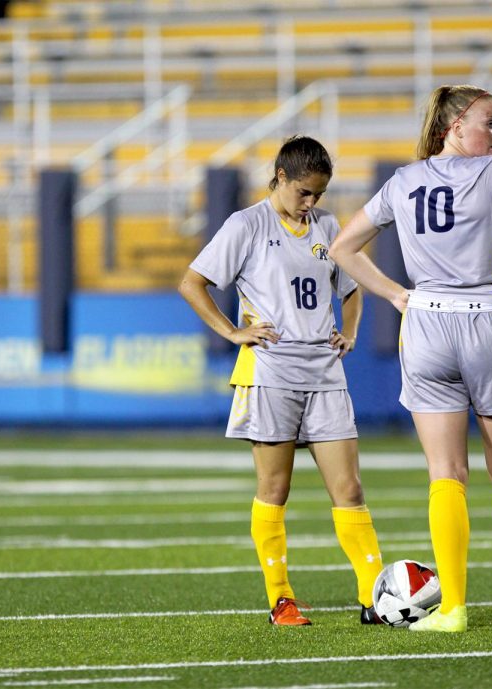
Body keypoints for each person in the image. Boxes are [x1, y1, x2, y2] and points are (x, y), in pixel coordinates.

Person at [329, 84, 492, 633]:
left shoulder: (404, 180)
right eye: (491, 122)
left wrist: (394, 294)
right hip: (489, 317)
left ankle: (455, 609)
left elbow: (343, 248)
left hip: (427, 324)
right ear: (456, 124)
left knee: (446, 474)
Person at [178, 135, 384, 627]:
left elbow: (352, 288)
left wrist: (349, 331)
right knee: (275, 487)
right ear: (281, 177)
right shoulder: (246, 224)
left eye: (319, 194)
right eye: (304, 193)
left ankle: (374, 598)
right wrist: (232, 332)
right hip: (270, 372)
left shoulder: (329, 226)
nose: (311, 203)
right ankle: (281, 600)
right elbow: (192, 283)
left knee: (350, 488)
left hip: (325, 374)